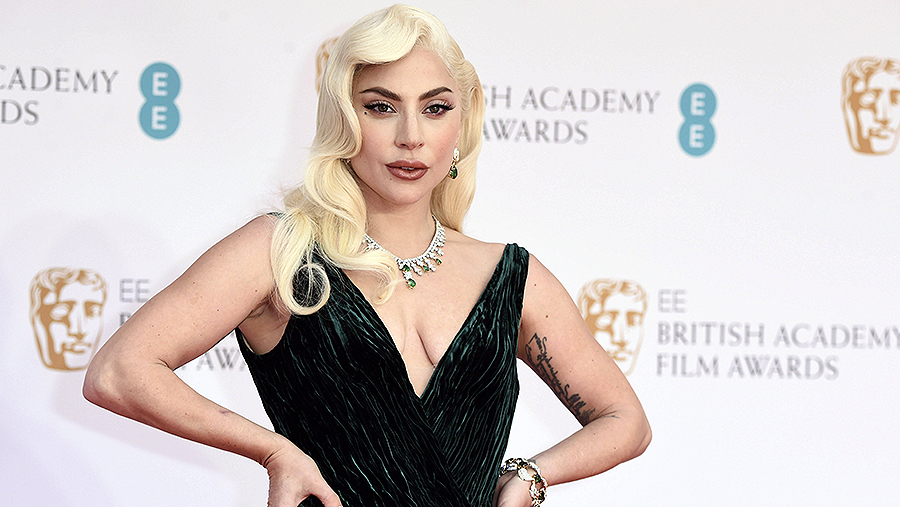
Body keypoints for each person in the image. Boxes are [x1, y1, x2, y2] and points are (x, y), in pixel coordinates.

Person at [83, 5, 650, 507]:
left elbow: (626, 421)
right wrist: (275, 452)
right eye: (381, 107)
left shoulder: (510, 275)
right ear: (345, 121)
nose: (411, 136)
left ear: (461, 123)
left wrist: (531, 475)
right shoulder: (281, 252)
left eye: (435, 108)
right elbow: (118, 372)